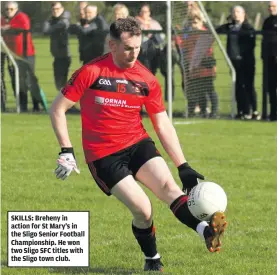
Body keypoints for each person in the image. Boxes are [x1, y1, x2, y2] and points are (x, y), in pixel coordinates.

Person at [50, 17, 227, 272]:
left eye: (138, 47)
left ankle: (205, 231)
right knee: (144, 210)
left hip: (137, 143)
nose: (134, 53)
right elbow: (58, 109)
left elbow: (162, 123)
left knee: (169, 188)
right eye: (128, 48)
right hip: (103, 155)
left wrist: (183, 165)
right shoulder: (91, 72)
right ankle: (152, 258)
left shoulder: (146, 79)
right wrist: (66, 151)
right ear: (112, 45)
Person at [217, 6, 260, 120]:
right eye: (234, 12)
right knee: (238, 86)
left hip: (246, 62)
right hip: (234, 62)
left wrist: (242, 55)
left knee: (248, 85)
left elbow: (251, 44)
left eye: (238, 12)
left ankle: (254, 110)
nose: (236, 14)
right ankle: (241, 110)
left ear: (243, 14)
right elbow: (217, 30)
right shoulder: (229, 27)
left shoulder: (248, 27)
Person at [1, 1, 40, 112]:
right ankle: (22, 106)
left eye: (11, 9)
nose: (9, 11)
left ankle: (36, 106)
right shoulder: (3, 19)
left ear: (16, 9)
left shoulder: (22, 17)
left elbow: (24, 26)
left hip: (26, 55)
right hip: (12, 55)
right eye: (7, 9)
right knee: (17, 81)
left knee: (30, 80)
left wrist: (7, 27)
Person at [182, 12, 218, 118]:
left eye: (196, 22)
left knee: (209, 89)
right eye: (192, 22)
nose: (194, 24)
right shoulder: (190, 36)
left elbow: (206, 51)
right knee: (199, 91)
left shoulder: (205, 34)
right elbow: (187, 50)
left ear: (201, 22)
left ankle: (214, 111)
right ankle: (203, 111)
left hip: (205, 66)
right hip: (194, 67)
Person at [43, 2, 71, 92]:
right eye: (53, 9)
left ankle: (67, 104)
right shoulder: (51, 20)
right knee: (58, 84)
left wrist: (52, 28)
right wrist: (53, 26)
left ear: (62, 9)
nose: (55, 11)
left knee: (63, 83)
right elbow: (45, 31)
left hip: (65, 55)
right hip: (56, 56)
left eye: (57, 9)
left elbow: (64, 24)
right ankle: (65, 103)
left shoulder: (65, 18)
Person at [136, 4, 164, 75]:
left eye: (146, 11)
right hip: (141, 50)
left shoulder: (154, 23)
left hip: (155, 51)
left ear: (149, 12)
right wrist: (143, 25)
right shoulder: (136, 22)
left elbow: (161, 37)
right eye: (142, 11)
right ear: (140, 12)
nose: (144, 13)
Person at [261, 0, 277, 121]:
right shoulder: (267, 22)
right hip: (269, 59)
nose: (271, 8)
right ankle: (273, 113)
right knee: (271, 86)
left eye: (273, 6)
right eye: (269, 6)